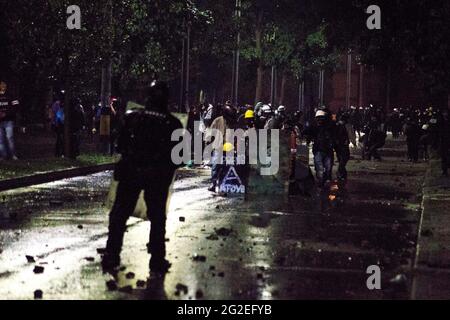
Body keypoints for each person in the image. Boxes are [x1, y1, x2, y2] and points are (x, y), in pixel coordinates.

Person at [102, 80, 183, 274]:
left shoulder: (132, 117)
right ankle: (157, 259)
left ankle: (112, 255)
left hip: (131, 171)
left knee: (119, 215)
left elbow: (120, 144)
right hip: (157, 176)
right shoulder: (172, 123)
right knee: (157, 218)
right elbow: (179, 157)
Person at [205, 104, 237, 192]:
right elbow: (210, 132)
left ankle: (222, 184)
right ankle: (213, 183)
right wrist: (208, 141)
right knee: (216, 165)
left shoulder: (233, 122)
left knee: (226, 167)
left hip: (228, 147)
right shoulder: (218, 120)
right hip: (218, 146)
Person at [303, 110, 336, 187]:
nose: (320, 120)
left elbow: (335, 136)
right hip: (319, 150)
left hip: (327, 151)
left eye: (321, 118)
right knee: (320, 169)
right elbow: (305, 132)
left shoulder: (330, 127)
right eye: (318, 118)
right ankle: (321, 183)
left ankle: (325, 181)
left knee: (327, 168)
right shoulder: (314, 127)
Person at [0, 81, 20, 160]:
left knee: (9, 137)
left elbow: (16, 106)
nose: (3, 86)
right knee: (0, 140)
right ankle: (3, 156)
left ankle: (13, 155)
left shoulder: (11, 95)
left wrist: (7, 114)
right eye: (1, 85)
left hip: (8, 121)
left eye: (4, 84)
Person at [335, 114, 351, 181]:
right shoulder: (344, 126)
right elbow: (349, 135)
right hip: (342, 145)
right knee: (344, 159)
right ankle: (340, 173)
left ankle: (342, 174)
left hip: (338, 145)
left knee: (342, 159)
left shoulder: (337, 125)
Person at [438, 108, 450, 176]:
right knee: (444, 156)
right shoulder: (440, 121)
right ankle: (444, 170)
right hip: (443, 141)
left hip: (447, 140)